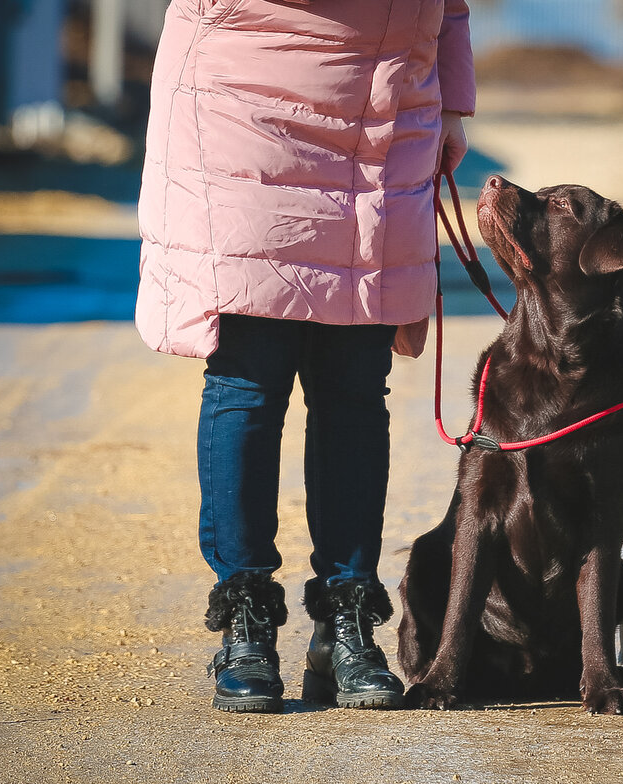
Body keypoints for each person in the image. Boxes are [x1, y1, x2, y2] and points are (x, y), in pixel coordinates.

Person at [135, 0, 475, 713]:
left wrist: (453, 97)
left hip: (387, 106)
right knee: (250, 379)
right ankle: (246, 619)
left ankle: (345, 619)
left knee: (355, 386)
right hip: (246, 97)